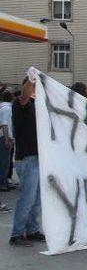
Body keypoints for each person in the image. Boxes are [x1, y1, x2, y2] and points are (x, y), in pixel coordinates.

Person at [10, 77, 44, 246]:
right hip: (27, 156)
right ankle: (17, 233)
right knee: (27, 197)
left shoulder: (36, 105)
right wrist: (32, 79)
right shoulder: (20, 103)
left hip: (37, 156)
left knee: (37, 198)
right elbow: (24, 94)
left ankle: (31, 230)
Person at [0, 90, 15, 193]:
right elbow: (5, 124)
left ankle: (3, 182)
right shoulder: (7, 109)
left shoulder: (2, 108)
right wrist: (6, 139)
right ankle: (3, 184)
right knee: (5, 162)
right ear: (11, 98)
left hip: (3, 136)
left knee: (4, 162)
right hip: (5, 137)